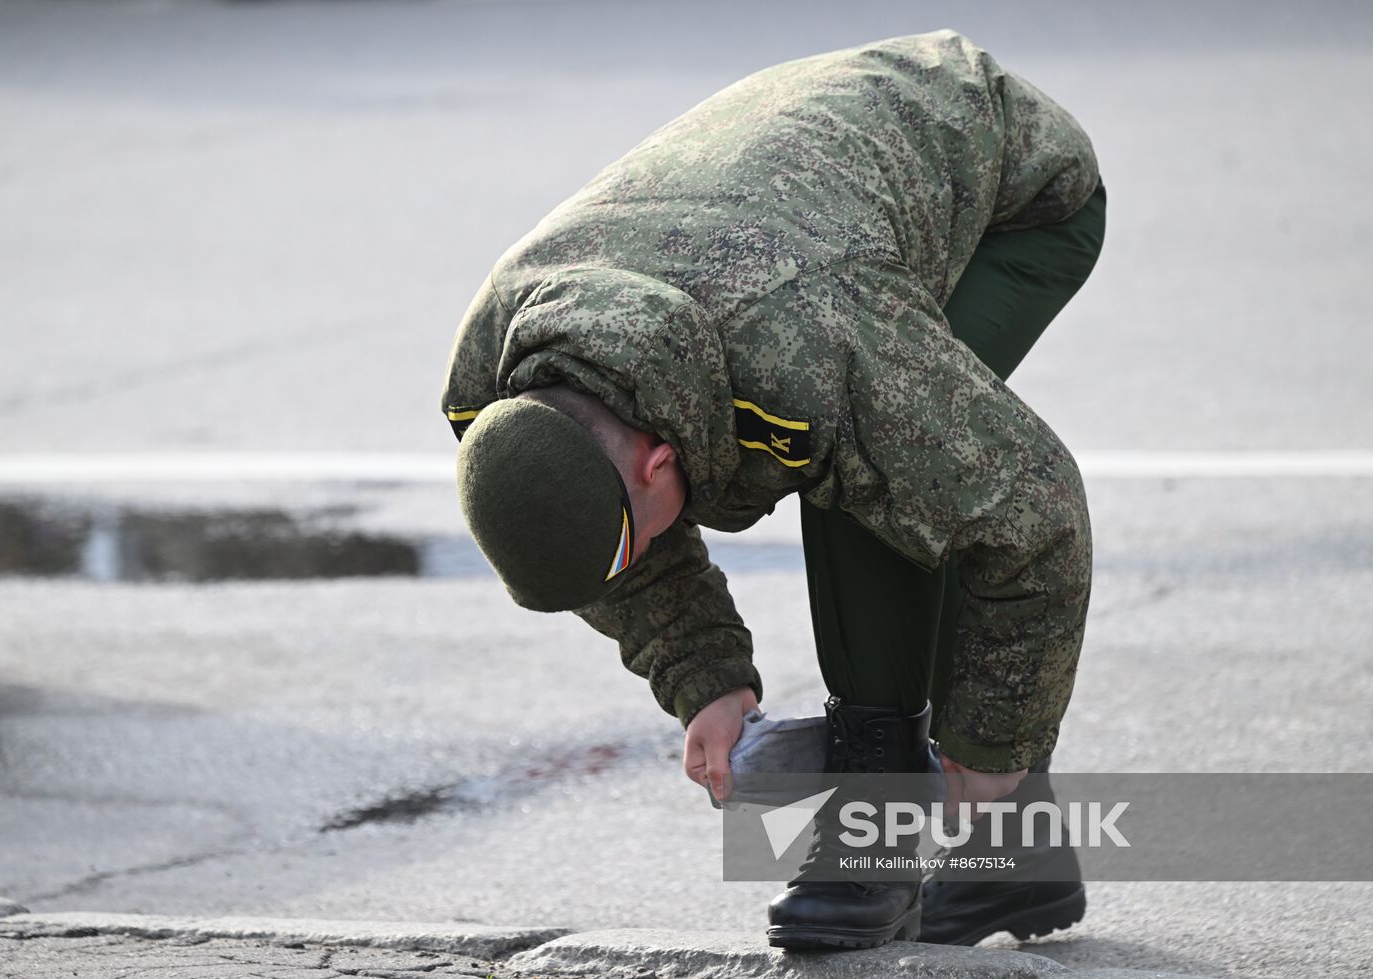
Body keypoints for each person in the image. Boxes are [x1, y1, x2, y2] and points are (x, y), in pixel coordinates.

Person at [442, 29, 1104, 950]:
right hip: (802, 191)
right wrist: (705, 680)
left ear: (660, 463)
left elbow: (1035, 516)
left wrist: (995, 740)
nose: (623, 570)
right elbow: (604, 540)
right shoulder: (499, 384)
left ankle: (873, 830)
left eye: (624, 549)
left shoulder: (808, 346)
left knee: (882, 483)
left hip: (1007, 185)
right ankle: (1016, 864)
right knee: (879, 454)